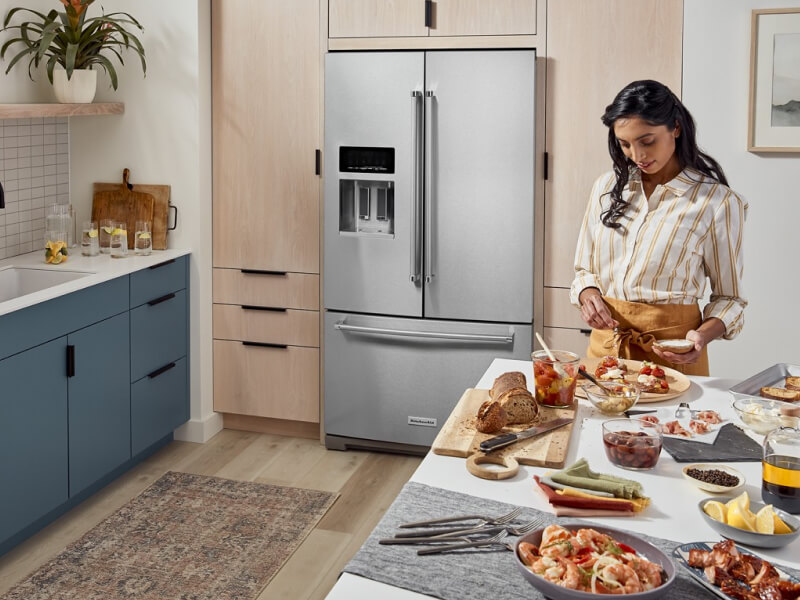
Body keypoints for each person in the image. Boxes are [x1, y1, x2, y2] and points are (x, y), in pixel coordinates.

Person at [570, 80, 747, 376]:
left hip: (673, 357)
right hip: (606, 354)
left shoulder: (718, 203)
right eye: (625, 144)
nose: (636, 155)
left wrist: (701, 337)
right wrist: (588, 295)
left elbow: (730, 299)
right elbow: (583, 270)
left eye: (647, 141)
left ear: (675, 127)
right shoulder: (606, 187)